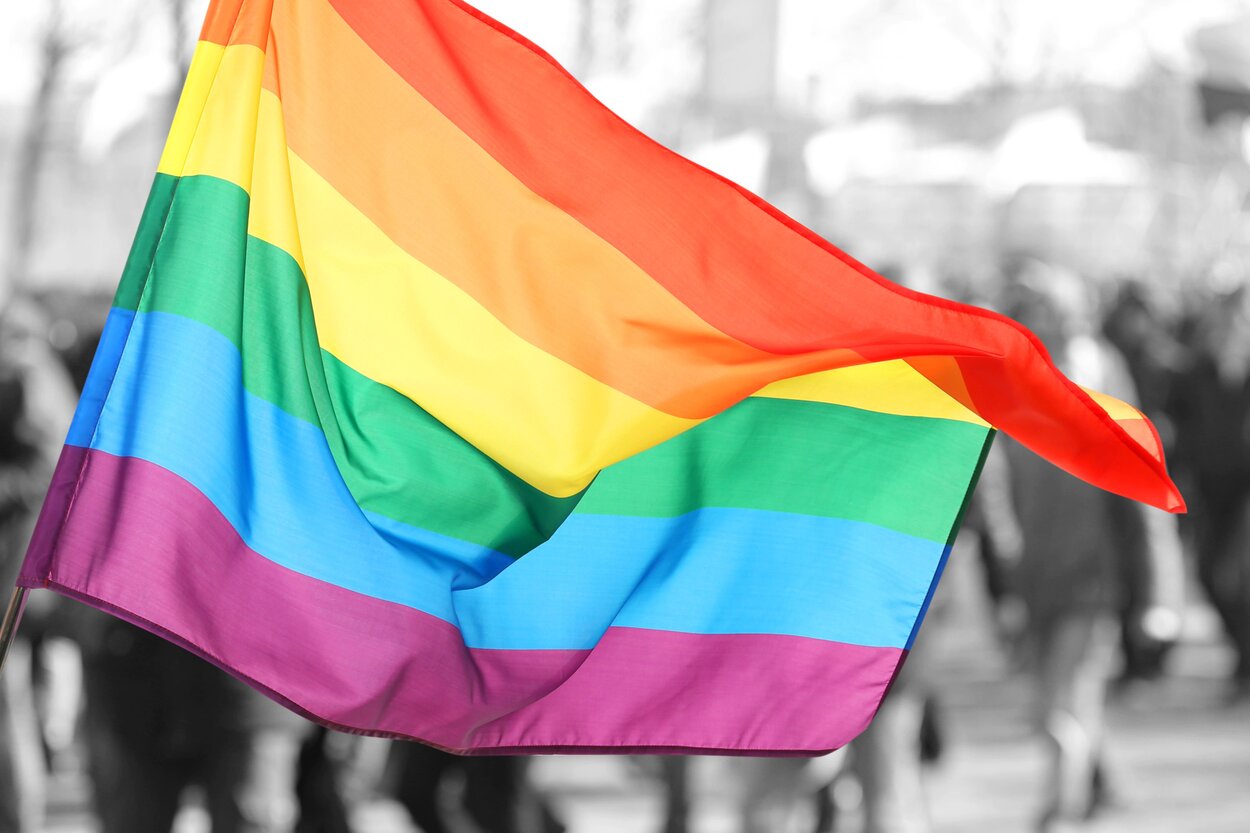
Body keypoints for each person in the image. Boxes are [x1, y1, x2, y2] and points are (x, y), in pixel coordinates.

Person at [981, 261, 1184, 831]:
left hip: (1090, 571)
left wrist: (1159, 592)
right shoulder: (1014, 377)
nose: (1035, 319)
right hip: (1033, 568)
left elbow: (1141, 486)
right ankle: (1097, 782)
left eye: (1044, 308)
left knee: (1060, 699)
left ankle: (1059, 809)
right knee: (1064, 697)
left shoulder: (1102, 373)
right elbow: (995, 475)